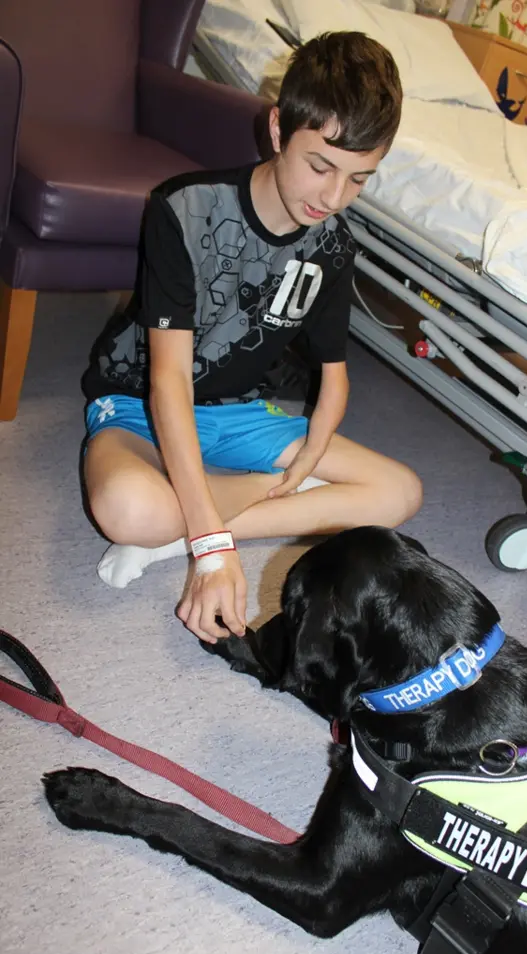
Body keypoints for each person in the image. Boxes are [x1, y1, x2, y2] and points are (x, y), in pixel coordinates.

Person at [81, 31, 422, 645]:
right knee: (128, 510)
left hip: (240, 415)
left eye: (359, 180)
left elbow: (333, 376)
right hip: (139, 403)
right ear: (277, 130)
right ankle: (204, 520)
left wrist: (315, 446)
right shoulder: (182, 209)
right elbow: (168, 381)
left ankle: (176, 535)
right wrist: (214, 551)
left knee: (399, 492)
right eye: (321, 166)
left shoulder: (335, 244)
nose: (333, 197)